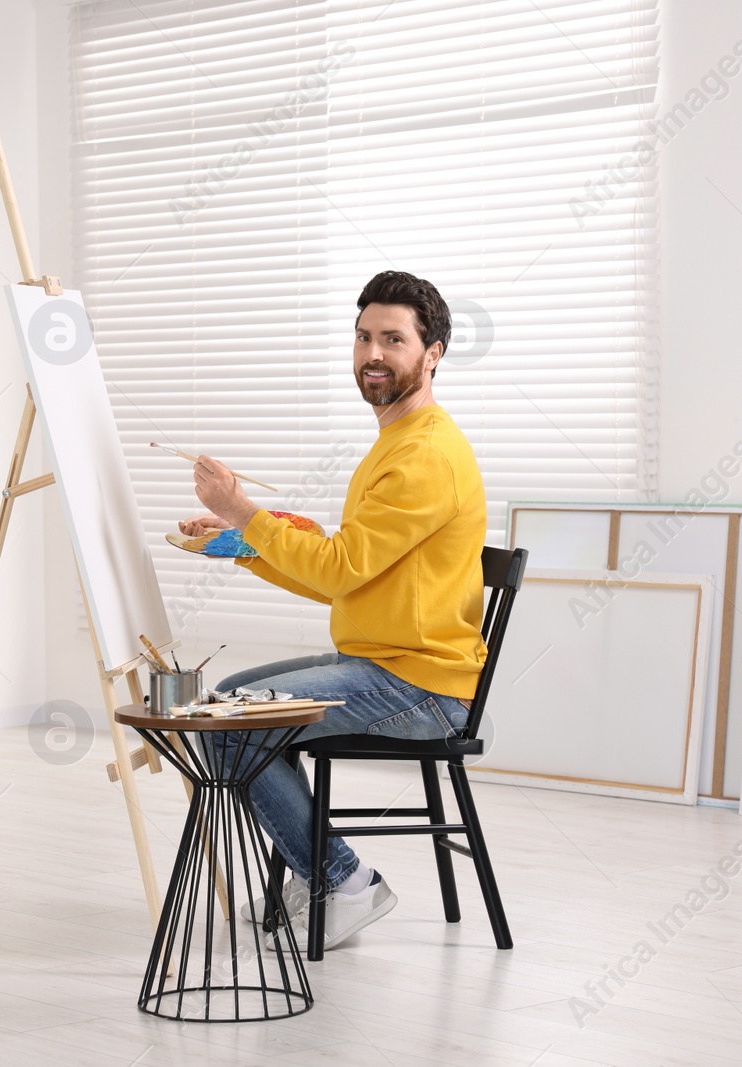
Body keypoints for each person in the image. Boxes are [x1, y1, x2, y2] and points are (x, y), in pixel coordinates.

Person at [178, 270, 486, 950]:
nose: (373, 353)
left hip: (421, 686)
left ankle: (343, 880)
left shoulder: (425, 455)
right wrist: (242, 542)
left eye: (393, 340)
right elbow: (346, 579)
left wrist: (246, 513)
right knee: (230, 702)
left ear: (432, 353)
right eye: (363, 337)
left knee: (227, 722)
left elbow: (340, 566)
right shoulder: (397, 443)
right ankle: (328, 871)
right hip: (384, 664)